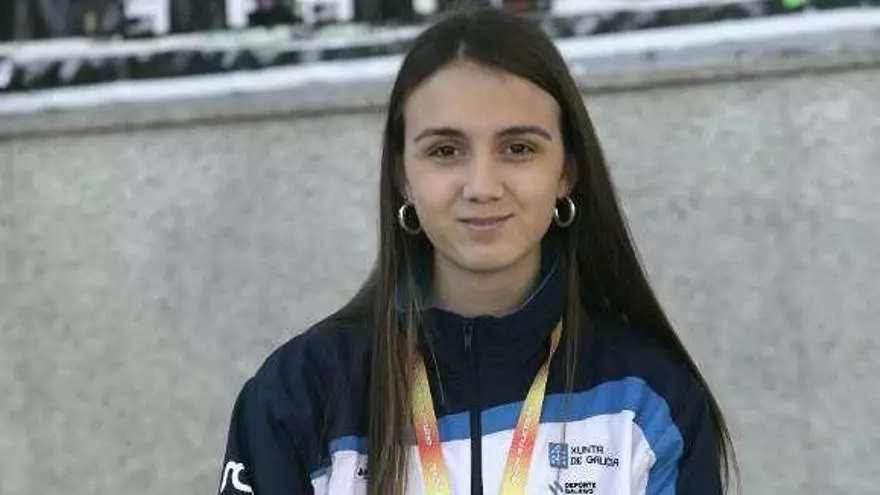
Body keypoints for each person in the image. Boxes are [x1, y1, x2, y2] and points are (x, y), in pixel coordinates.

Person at [218, 7, 737, 495]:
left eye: (519, 148)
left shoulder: (648, 399)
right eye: (445, 151)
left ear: (566, 171)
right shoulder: (301, 394)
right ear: (402, 175)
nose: (482, 186)